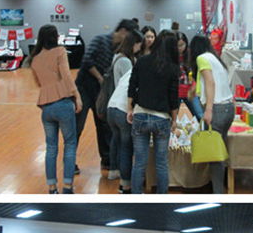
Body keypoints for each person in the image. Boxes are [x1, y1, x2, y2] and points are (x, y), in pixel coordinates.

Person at [75, 19, 138, 172]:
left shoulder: (120, 49)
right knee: (77, 126)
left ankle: (107, 160)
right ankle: (70, 162)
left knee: (103, 125)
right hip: (84, 88)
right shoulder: (100, 40)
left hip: (101, 92)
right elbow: (87, 60)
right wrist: (100, 78)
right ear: (123, 31)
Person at [29, 24, 83, 194]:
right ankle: (67, 187)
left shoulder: (35, 58)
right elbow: (67, 76)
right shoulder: (60, 51)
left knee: (51, 148)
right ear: (55, 37)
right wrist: (77, 96)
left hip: (46, 107)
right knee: (70, 144)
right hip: (63, 103)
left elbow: (38, 83)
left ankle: (52, 188)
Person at [127, 30, 180, 194]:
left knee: (139, 162)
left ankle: (136, 195)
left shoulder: (142, 61)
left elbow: (132, 85)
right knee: (161, 163)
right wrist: (174, 121)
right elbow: (174, 98)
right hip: (162, 118)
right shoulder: (172, 68)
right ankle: (161, 197)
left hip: (140, 114)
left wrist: (130, 109)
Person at [189, 35, 234, 194]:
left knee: (215, 155)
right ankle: (219, 187)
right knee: (219, 150)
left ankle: (218, 192)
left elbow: (210, 82)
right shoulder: (215, 58)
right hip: (228, 108)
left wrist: (208, 110)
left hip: (217, 109)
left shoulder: (201, 58)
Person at [106, 29, 144, 189]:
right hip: (122, 108)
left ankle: (113, 170)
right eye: (139, 44)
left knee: (116, 141)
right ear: (134, 44)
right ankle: (125, 183)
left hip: (111, 106)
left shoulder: (117, 56)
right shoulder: (128, 63)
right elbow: (132, 90)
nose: (139, 48)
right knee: (126, 148)